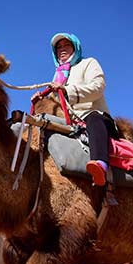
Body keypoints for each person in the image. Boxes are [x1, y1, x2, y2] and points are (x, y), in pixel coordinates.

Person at [32, 32, 117, 186]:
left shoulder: (89, 63)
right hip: (67, 120)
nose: (62, 49)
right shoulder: (57, 75)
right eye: (58, 47)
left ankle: (100, 164)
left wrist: (67, 90)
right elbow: (55, 100)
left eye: (66, 45)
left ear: (75, 47)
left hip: (92, 115)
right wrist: (41, 99)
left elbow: (98, 87)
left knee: (94, 118)